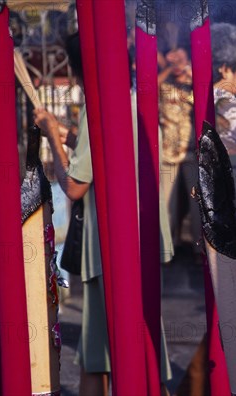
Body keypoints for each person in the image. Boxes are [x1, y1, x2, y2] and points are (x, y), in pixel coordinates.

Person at [34, 33, 173, 396]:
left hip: (108, 248)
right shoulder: (135, 104)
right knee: (143, 345)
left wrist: (51, 134)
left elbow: (75, 185)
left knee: (96, 354)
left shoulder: (101, 109)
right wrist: (72, 137)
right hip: (142, 242)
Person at [158, 48, 201, 260]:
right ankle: (168, 247)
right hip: (169, 151)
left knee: (196, 204)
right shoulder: (165, 84)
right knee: (167, 204)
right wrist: (169, 68)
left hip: (191, 150)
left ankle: (198, 248)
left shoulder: (194, 82)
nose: (177, 62)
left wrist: (189, 69)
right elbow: (153, 85)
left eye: (180, 57)